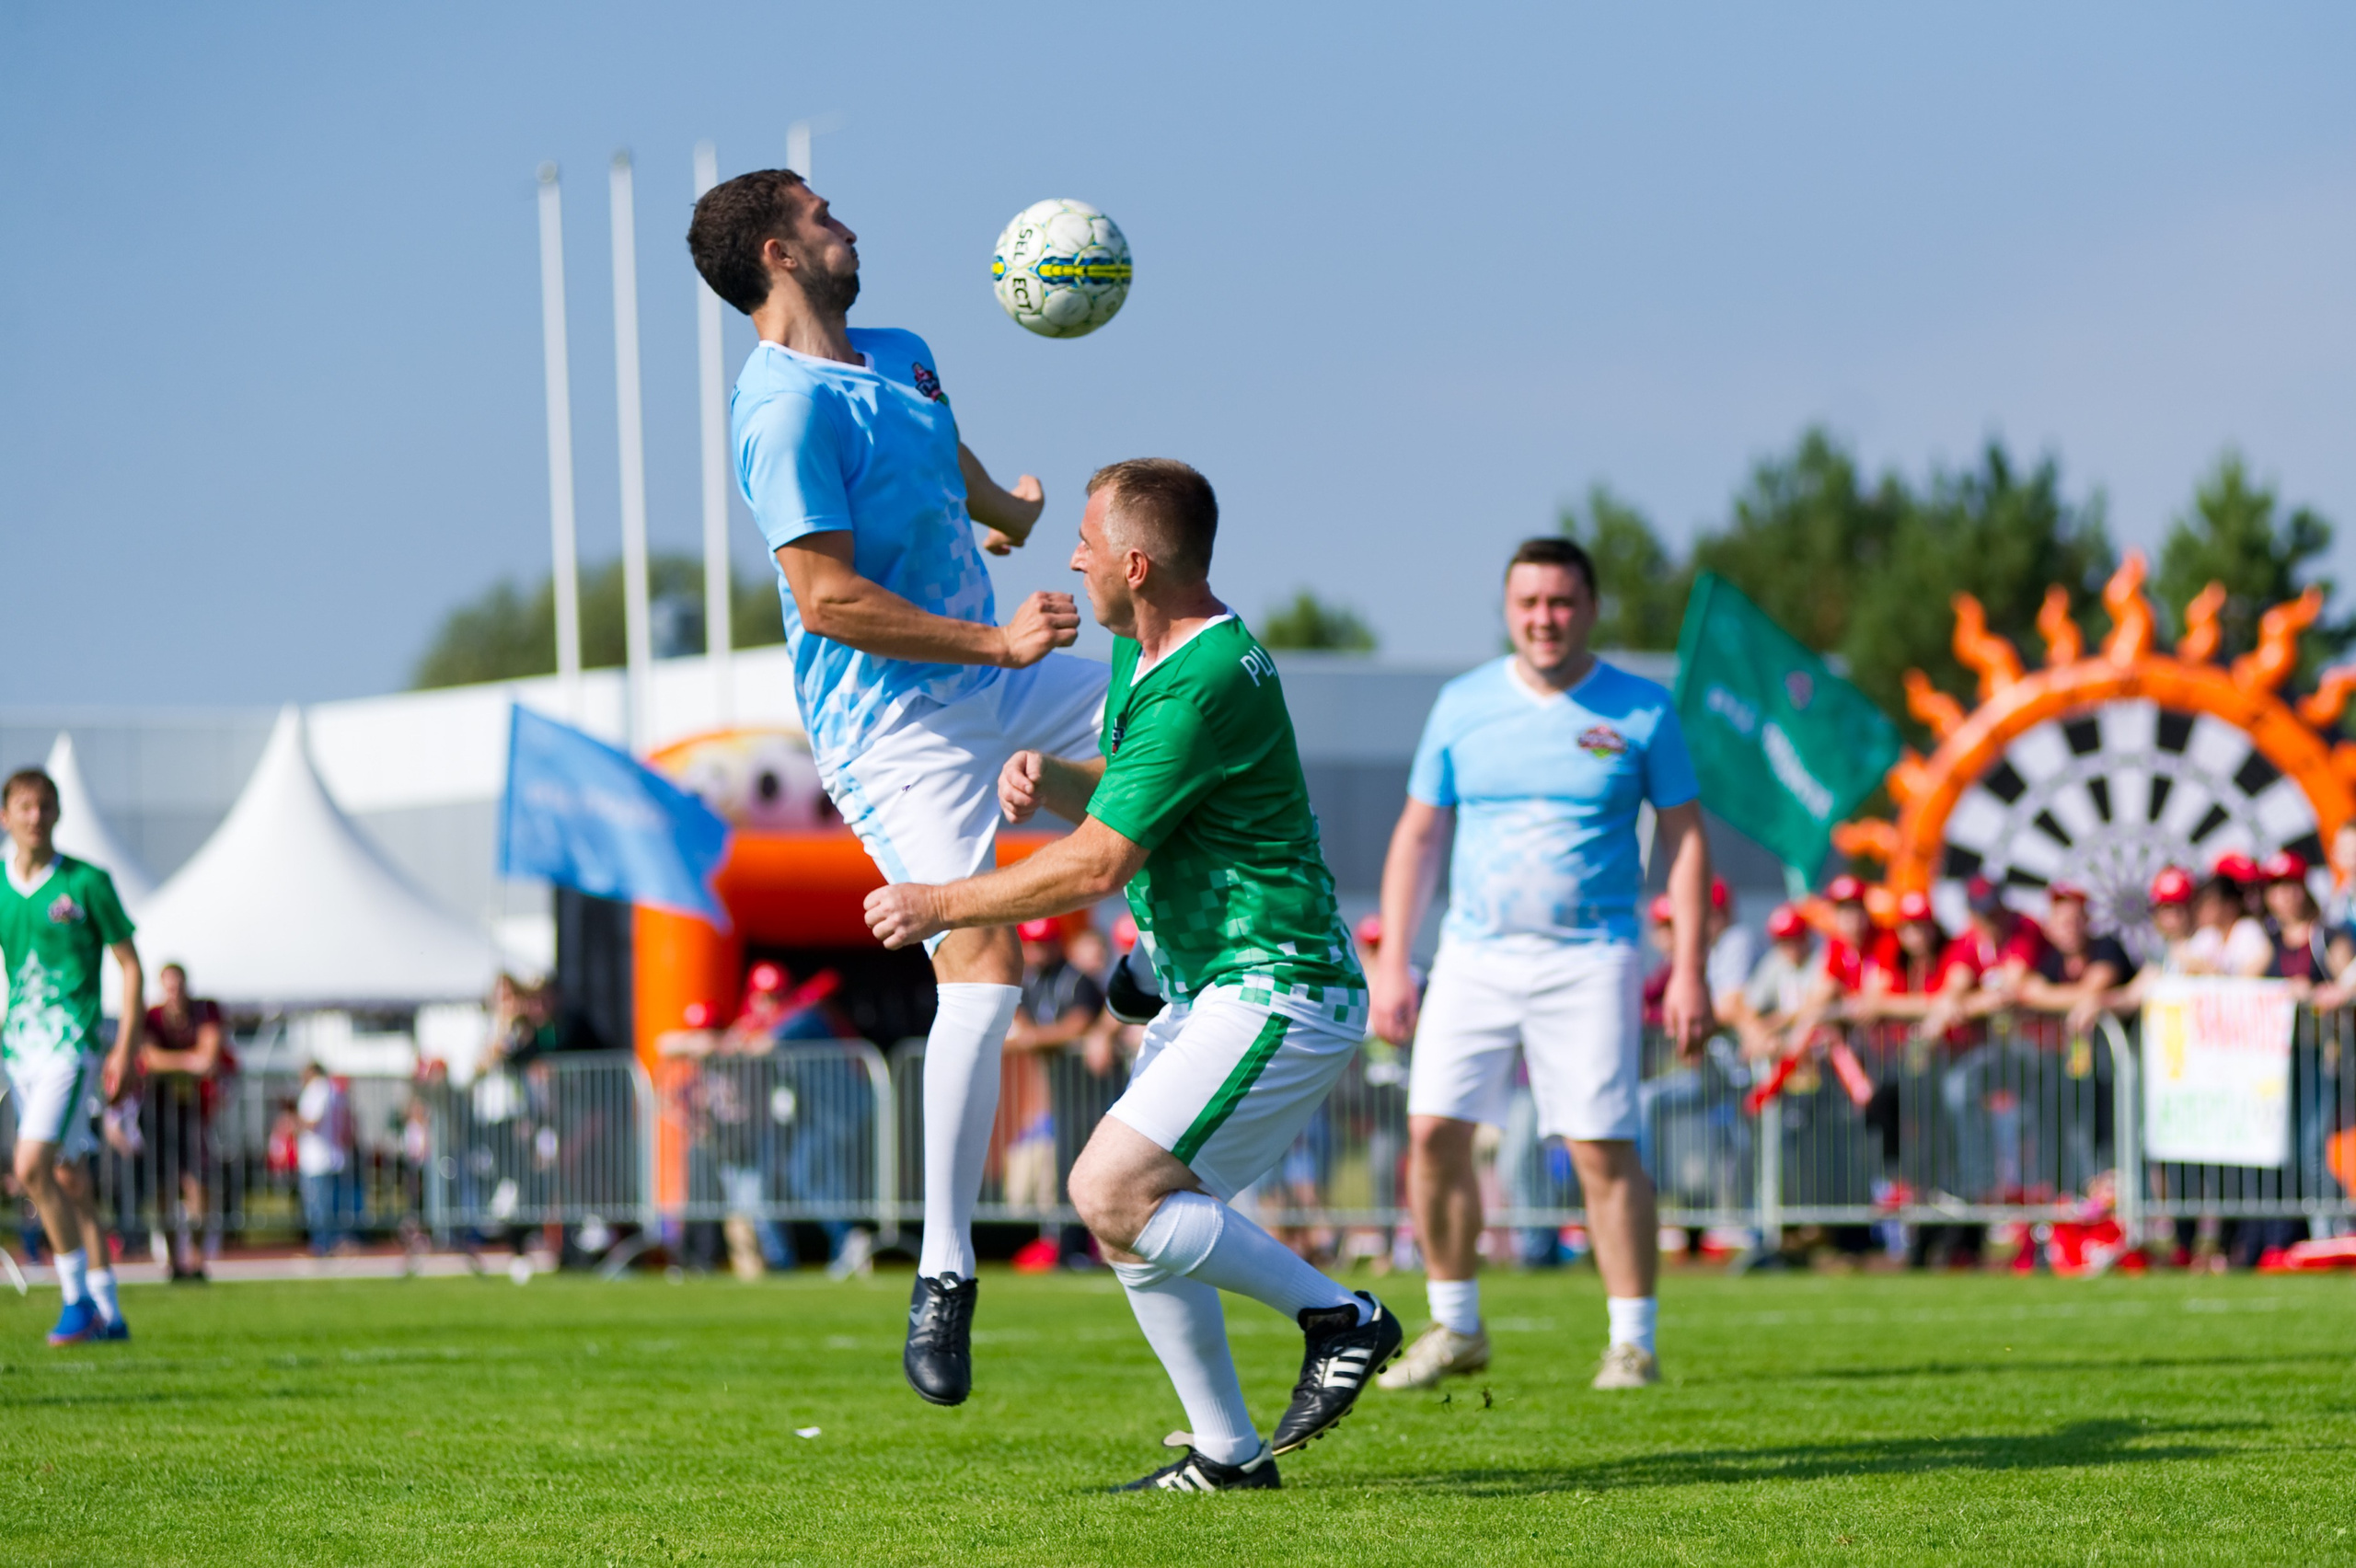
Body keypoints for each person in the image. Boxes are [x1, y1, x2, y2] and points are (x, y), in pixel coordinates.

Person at [864, 458, 1399, 1492]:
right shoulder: (1147, 654)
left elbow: (1106, 860)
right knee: (1135, 1222)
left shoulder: (1200, 679)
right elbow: (1142, 789)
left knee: (1111, 1191)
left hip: (1279, 984)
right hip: (1218, 984)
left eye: (1085, 543)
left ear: (1137, 565)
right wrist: (1056, 778)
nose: (1071, 557)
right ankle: (1227, 1456)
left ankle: (1342, 1318)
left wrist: (941, 901)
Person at [689, 168, 1108, 1408]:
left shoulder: (904, 352)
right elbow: (827, 598)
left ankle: (1160, 961)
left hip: (991, 681)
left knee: (1209, 707)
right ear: (779, 252)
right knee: (982, 964)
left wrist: (1005, 510)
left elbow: (938, 445)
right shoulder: (779, 412)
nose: (850, 226)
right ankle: (943, 1268)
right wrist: (996, 642)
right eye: (825, 218)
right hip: (894, 731)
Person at [1367, 536, 1713, 1396]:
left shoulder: (1642, 710)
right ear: (1509, 610)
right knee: (1432, 1133)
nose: (1544, 619)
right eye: (1528, 603)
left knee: (1601, 1148)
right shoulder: (1462, 704)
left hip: (1592, 956)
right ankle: (1458, 1327)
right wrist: (1395, 966)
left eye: (1561, 602)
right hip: (1473, 955)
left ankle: (1632, 1342)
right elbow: (1417, 835)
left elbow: (1688, 840)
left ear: (1591, 608)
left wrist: (1694, 968)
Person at [2, 767, 141, 1344]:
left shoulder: (86, 882)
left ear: (58, 814)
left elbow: (130, 965)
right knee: (70, 1178)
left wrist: (126, 1047)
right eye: (25, 807)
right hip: (19, 1050)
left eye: (46, 806)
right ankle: (110, 1313)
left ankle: (76, 1302)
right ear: (6, 817)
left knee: (31, 1167)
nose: (37, 817)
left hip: (70, 1047)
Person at [1003, 917, 1105, 1271]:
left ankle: (1093, 1250)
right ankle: (1071, 1250)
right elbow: (1023, 1020)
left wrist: (1035, 1039)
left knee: (1097, 1173)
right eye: (1031, 945)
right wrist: (1038, 1037)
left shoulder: (1079, 979)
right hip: (1063, 1096)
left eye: (1043, 943)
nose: (1036, 951)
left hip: (1096, 1095)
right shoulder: (1032, 981)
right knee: (1066, 1174)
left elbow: (1078, 1024)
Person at [140, 961, 233, 1281]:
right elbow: (149, 1059)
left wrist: (173, 1064)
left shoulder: (205, 1011)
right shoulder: (152, 1017)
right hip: (160, 1117)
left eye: (178, 986)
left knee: (199, 1186)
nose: (174, 993)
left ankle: (195, 1259)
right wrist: (188, 1062)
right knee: (163, 1189)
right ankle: (173, 1262)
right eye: (168, 987)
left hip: (196, 1115)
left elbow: (208, 1058)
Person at [294, 1060, 352, 1257]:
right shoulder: (333, 1091)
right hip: (330, 1154)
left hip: (317, 1157)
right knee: (327, 1205)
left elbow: (313, 1121)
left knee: (318, 1206)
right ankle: (328, 1243)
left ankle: (323, 1246)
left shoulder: (318, 1089)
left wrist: (293, 1121)